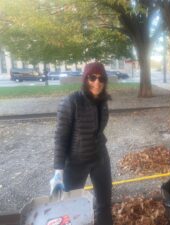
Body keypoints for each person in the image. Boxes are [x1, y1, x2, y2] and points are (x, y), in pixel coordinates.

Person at [50, 62, 113, 225]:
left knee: (104, 202)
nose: (97, 83)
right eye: (92, 78)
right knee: (70, 205)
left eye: (101, 78)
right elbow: (60, 136)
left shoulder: (103, 102)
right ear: (85, 79)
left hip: (100, 158)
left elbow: (98, 131)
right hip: (76, 161)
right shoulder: (71, 102)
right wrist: (58, 170)